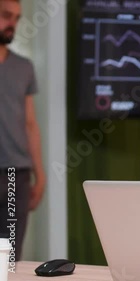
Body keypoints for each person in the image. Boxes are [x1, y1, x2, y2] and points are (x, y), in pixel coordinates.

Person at [0, 0, 45, 260]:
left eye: (17, 19)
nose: (12, 25)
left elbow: (30, 123)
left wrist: (40, 175)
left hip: (17, 176)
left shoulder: (24, 67)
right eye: (7, 16)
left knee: (10, 259)